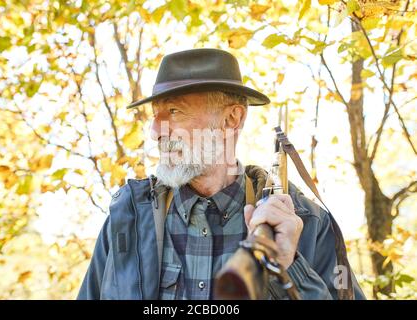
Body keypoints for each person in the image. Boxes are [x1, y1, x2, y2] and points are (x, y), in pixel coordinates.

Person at [77, 48, 365, 300]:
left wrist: (291, 267)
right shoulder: (129, 216)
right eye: (156, 114)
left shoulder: (305, 221)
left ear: (231, 119)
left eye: (175, 111)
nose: (155, 132)